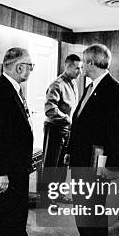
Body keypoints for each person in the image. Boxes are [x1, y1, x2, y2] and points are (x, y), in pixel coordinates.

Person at [61, 43, 119, 236]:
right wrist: (70, 150)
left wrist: (113, 166)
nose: (81, 66)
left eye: (84, 62)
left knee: (94, 205)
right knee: (81, 202)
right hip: (81, 158)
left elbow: (118, 133)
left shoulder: (114, 90)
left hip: (98, 162)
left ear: (91, 62)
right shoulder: (90, 87)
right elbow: (78, 122)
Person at [0, 47, 41, 236]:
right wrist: (1, 173)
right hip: (7, 166)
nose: (31, 70)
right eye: (30, 66)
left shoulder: (12, 88)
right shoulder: (1, 92)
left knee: (18, 205)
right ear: (19, 67)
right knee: (5, 210)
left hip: (18, 163)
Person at [41, 54, 82, 199]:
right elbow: (50, 110)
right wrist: (69, 120)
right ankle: (47, 198)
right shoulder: (57, 84)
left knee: (62, 165)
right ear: (68, 66)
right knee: (51, 166)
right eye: (77, 68)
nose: (80, 72)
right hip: (55, 129)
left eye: (81, 68)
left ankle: (58, 194)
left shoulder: (73, 84)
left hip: (66, 130)